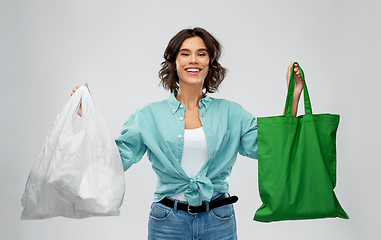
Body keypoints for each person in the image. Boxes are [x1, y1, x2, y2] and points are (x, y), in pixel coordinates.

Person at [71, 27, 303, 240]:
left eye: (201, 54)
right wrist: (89, 120)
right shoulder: (148, 116)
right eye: (185, 53)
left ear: (210, 62)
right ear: (173, 62)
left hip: (219, 220)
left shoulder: (232, 113)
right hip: (167, 221)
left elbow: (273, 148)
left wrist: (293, 95)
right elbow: (116, 160)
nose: (194, 60)